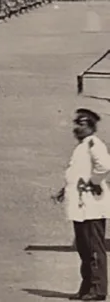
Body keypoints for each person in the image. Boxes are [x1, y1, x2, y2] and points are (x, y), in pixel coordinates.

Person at [55, 107, 110, 301]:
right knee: (84, 248)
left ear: (91, 126)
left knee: (94, 247)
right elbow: (77, 172)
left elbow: (104, 166)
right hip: (80, 206)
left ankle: (98, 289)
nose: (77, 127)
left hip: (91, 206)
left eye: (82, 123)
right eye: (76, 123)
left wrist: (93, 182)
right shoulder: (82, 147)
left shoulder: (94, 143)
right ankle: (87, 286)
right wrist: (64, 190)